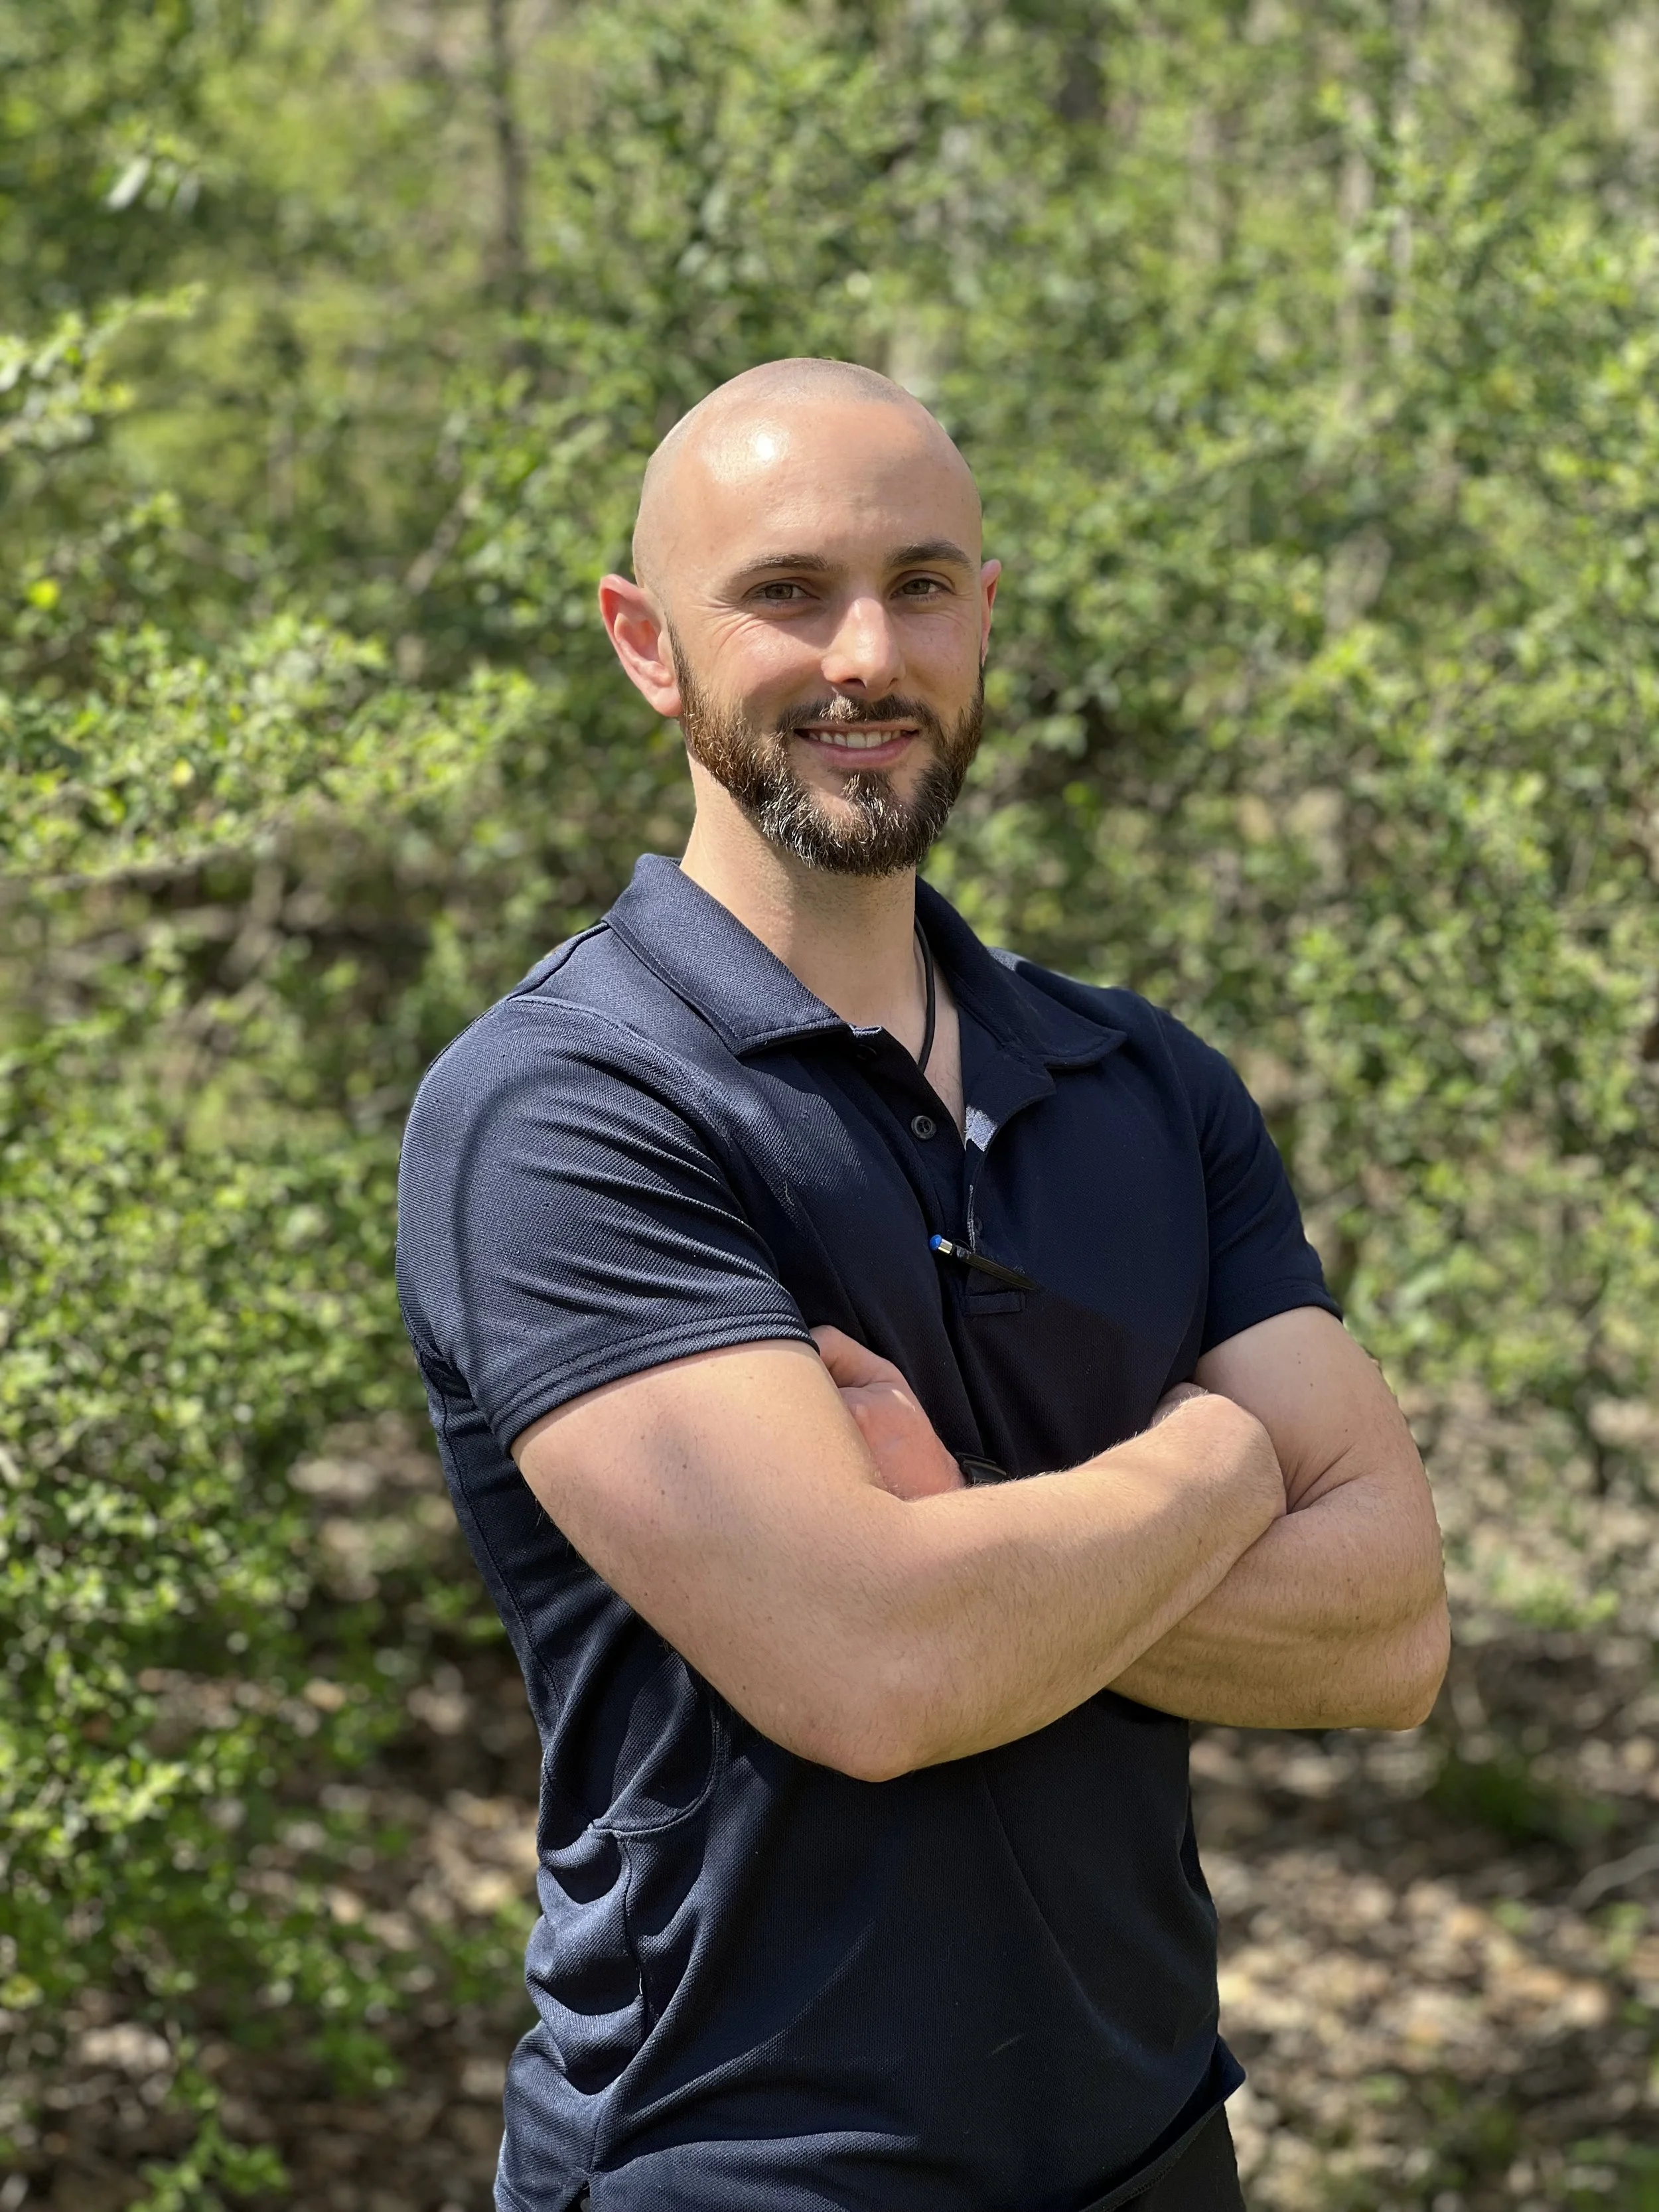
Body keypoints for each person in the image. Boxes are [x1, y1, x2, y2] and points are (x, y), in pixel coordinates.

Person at [396, 358, 1450, 2212]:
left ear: (985, 620)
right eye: (786, 594)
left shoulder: (1144, 1085)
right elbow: (871, 1667)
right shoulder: (564, 1107)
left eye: (924, 584)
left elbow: (1385, 1634)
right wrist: (1208, 1471)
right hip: (730, 2166)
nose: (864, 656)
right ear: (647, 644)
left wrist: (960, 1533)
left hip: (1148, 2152)